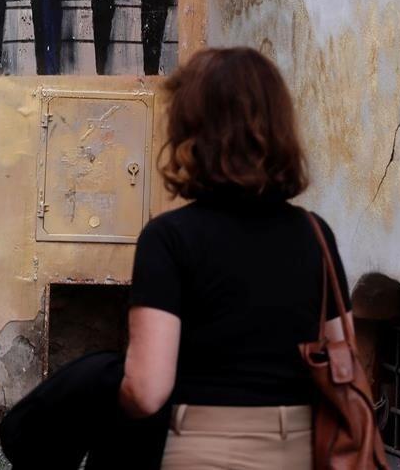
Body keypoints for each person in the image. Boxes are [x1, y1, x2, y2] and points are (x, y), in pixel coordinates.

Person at [118, 47, 352, 469]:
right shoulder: (315, 234)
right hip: (300, 448)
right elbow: (343, 355)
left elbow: (147, 389)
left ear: (189, 130)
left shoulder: (168, 239)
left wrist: (105, 396)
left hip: (203, 447)